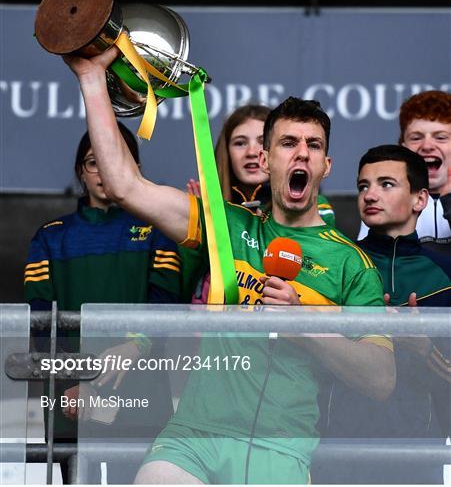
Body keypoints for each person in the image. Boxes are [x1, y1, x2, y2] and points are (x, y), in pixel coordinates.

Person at [63, 46, 395, 485]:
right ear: (268, 159)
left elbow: (381, 379)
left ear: (326, 165)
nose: (301, 153)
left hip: (280, 449)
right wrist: (91, 79)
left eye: (313, 145)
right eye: (288, 143)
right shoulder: (223, 224)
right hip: (192, 438)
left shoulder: (353, 263)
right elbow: (126, 187)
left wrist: (305, 322)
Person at [24, 123, 181, 483]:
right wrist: (74, 382)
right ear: (80, 171)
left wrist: (136, 345)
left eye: (117, 158)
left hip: (142, 395)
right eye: (94, 162)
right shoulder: (51, 238)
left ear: (135, 168)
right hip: (72, 397)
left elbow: (167, 305)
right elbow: (39, 322)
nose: (105, 170)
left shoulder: (158, 229)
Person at [315, 145, 451, 484]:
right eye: (363, 186)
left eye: (386, 184)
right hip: (337, 450)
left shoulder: (445, 273)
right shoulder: (337, 263)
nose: (370, 194)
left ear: (420, 199)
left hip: (417, 455)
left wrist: (425, 350)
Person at [187, 104, 335, 304]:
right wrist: (200, 230)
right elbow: (188, 282)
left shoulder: (313, 207)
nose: (251, 152)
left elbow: (319, 262)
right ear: (226, 152)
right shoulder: (213, 207)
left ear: (268, 154)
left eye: (261, 142)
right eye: (240, 143)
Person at [359, 90, 451, 243]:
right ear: (403, 148)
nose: (427, 146)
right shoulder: (381, 201)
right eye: (416, 138)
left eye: (440, 137)